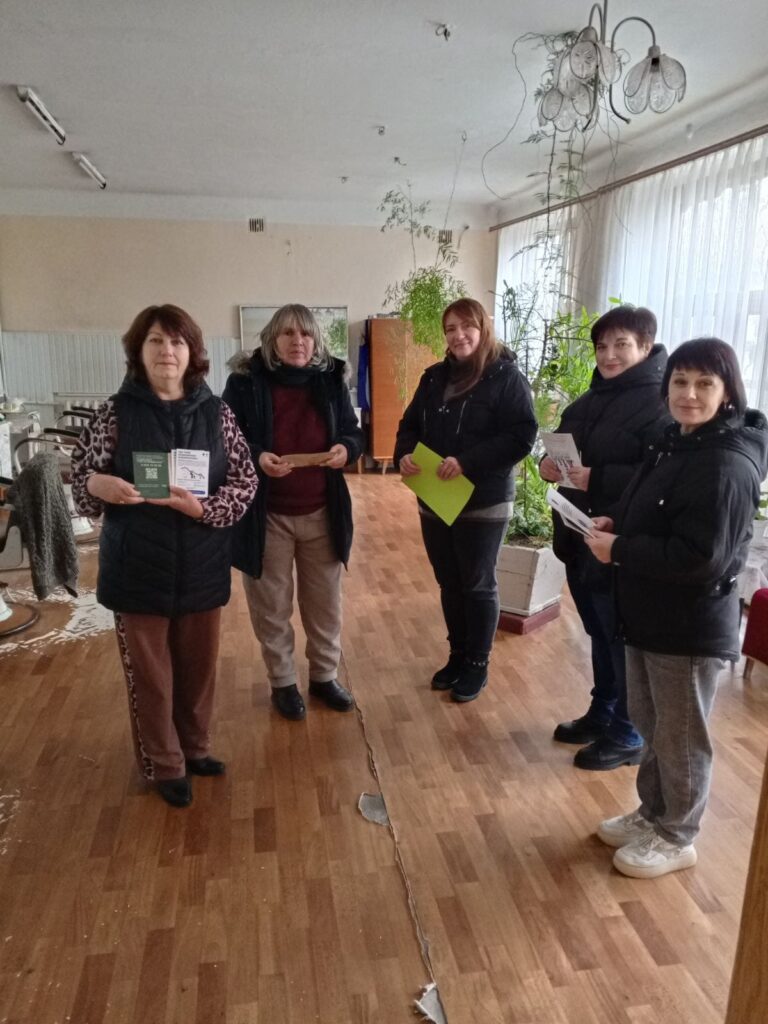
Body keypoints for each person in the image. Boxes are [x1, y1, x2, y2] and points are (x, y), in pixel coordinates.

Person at [586, 338, 768, 878]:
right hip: (647, 613)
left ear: (727, 393)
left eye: (704, 384)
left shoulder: (726, 464)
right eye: (680, 382)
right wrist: (616, 522)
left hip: (687, 626)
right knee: (651, 723)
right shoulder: (675, 441)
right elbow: (654, 510)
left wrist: (621, 549)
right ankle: (653, 813)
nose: (689, 394)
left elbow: (702, 558)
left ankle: (677, 835)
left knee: (682, 736)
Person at [72, 304, 257, 808]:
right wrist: (98, 484)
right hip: (137, 568)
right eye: (155, 340)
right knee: (151, 679)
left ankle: (195, 748)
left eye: (177, 342)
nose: (166, 351)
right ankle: (164, 763)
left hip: (202, 565)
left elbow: (244, 481)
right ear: (139, 350)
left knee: (198, 672)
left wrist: (204, 508)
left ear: (193, 352)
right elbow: (82, 482)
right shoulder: (114, 413)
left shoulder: (217, 413)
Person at [540, 305, 670, 770]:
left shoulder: (662, 404)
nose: (609, 355)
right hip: (579, 535)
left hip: (622, 542)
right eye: (602, 346)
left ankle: (629, 731)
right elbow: (557, 453)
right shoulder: (587, 402)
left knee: (620, 637)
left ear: (646, 347)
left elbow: (660, 478)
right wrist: (547, 466)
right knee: (598, 630)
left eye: (621, 345)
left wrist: (598, 477)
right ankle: (603, 710)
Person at [222, 304, 364, 721]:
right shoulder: (245, 381)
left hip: (322, 511)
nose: (297, 341)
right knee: (271, 605)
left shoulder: (332, 379)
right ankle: (283, 682)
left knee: (325, 605)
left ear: (316, 340)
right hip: (267, 515)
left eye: (305, 334)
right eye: (287, 333)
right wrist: (258, 456)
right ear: (272, 340)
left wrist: (346, 449)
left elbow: (352, 433)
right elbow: (226, 439)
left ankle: (324, 676)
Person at [394, 297, 537, 703]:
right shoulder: (433, 378)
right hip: (435, 495)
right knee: (449, 581)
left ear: (483, 328)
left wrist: (467, 462)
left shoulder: (506, 377)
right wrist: (405, 453)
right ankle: (457, 655)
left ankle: (477, 662)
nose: (458, 336)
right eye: (451, 329)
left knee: (477, 583)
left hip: (483, 499)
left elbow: (521, 436)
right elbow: (409, 425)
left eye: (466, 327)